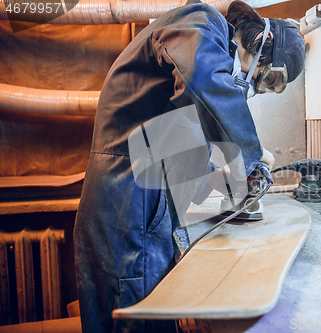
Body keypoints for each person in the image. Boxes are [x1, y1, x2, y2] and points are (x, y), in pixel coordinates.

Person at [73, 0, 305, 332]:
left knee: (152, 318)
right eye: (267, 79)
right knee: (137, 321)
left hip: (140, 204)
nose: (256, 87)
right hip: (125, 209)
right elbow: (202, 78)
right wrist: (252, 156)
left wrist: (236, 194)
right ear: (260, 43)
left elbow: (186, 193)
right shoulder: (200, 20)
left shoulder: (178, 93)